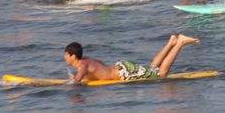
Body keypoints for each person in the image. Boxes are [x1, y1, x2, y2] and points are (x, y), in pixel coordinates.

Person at [64, 34, 201, 83]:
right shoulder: (86, 60)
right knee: (152, 69)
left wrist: (62, 87)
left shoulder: (82, 66)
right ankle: (170, 43)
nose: (65, 58)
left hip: (125, 73)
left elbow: (76, 82)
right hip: (122, 68)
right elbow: (98, 69)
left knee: (162, 74)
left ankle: (180, 43)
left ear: (73, 56)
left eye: (66, 55)